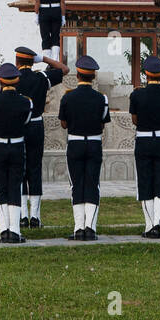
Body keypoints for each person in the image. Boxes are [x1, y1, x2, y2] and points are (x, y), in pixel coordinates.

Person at [14, 45, 69, 228]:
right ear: (33, 61)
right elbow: (64, 70)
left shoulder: (12, 78)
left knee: (19, 168)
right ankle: (35, 216)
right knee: (34, 168)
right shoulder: (41, 78)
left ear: (17, 61)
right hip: (36, 125)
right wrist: (44, 59)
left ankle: (22, 215)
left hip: (18, 127)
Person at [60, 56, 111, 241]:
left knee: (76, 184)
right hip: (94, 143)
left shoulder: (68, 97)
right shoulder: (101, 99)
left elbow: (64, 123)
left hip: (75, 143)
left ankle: (78, 228)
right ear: (93, 76)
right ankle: (90, 227)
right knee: (92, 183)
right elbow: (103, 123)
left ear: (77, 75)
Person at [0, 62, 32, 243]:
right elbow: (26, 122)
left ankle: (4, 229)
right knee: (15, 186)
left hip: (0, 146)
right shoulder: (25, 102)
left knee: (1, 187)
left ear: (0, 81)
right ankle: (14, 230)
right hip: (18, 146)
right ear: (17, 81)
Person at [132, 55, 160, 239]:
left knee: (144, 182)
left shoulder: (136, 94)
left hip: (143, 140)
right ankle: (158, 225)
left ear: (145, 73)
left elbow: (135, 119)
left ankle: (149, 225)